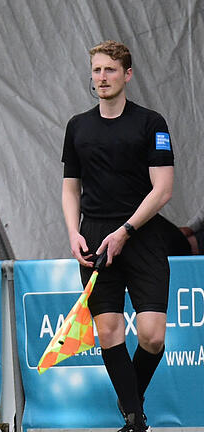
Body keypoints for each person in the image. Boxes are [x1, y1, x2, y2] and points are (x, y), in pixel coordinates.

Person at [61, 41, 174, 432]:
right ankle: (134, 419)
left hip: (140, 236)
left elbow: (162, 189)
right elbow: (70, 188)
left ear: (127, 74)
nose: (102, 78)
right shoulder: (78, 125)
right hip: (93, 236)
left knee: (152, 336)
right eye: (96, 70)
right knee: (109, 331)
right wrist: (73, 232)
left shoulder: (151, 123)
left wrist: (126, 230)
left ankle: (131, 401)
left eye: (110, 70)